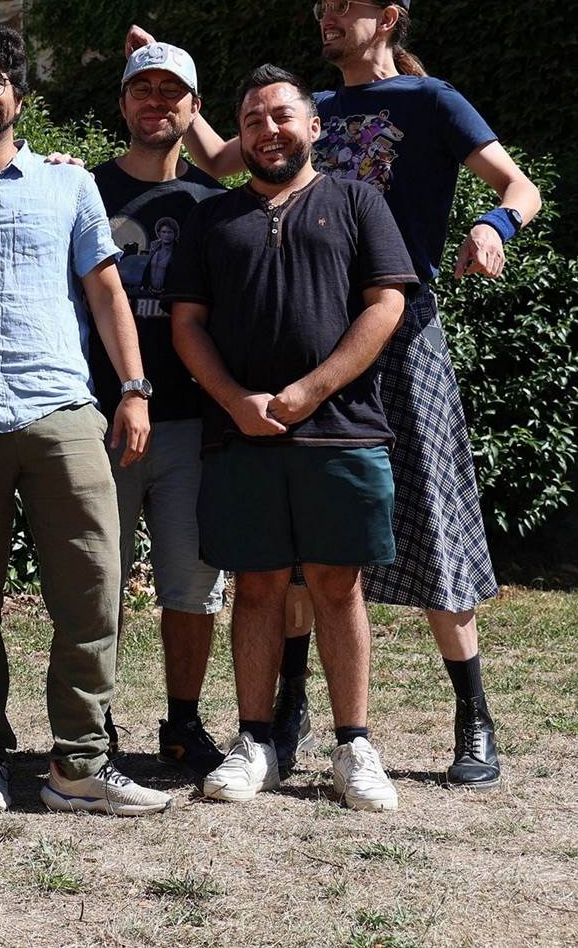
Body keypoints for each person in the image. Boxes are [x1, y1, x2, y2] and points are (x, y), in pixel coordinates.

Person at [173, 0, 543, 788]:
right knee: (300, 546)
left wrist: (492, 228)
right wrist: (175, 84)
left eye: (345, 8)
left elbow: (522, 186)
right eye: (323, 8)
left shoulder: (431, 100)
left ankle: (473, 717)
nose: (328, 19)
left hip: (397, 333)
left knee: (438, 523)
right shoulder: (310, 109)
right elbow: (222, 161)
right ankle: (286, 716)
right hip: (302, 342)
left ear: (390, 17)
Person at [0, 20, 171, 819]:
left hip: (62, 410)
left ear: (18, 95)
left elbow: (104, 291)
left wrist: (133, 387)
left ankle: (78, 761)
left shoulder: (70, 186)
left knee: (94, 590)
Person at [168, 65, 416, 811]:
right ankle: (256, 744)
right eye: (251, 119)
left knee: (339, 586)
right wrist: (237, 400)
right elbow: (187, 326)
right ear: (237, 136)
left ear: (313, 127)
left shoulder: (356, 200)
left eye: (281, 116)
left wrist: (313, 389)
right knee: (257, 587)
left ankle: (354, 747)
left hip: (341, 432)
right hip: (241, 436)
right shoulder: (214, 219)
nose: (267, 130)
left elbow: (385, 305)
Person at [91, 41, 228, 778]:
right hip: (97, 419)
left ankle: (182, 723)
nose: (155, 102)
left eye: (171, 92)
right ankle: (94, 719)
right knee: (96, 584)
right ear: (122, 105)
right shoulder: (80, 189)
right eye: (141, 89)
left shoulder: (215, 204)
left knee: (191, 586)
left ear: (194, 109)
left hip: (189, 425)